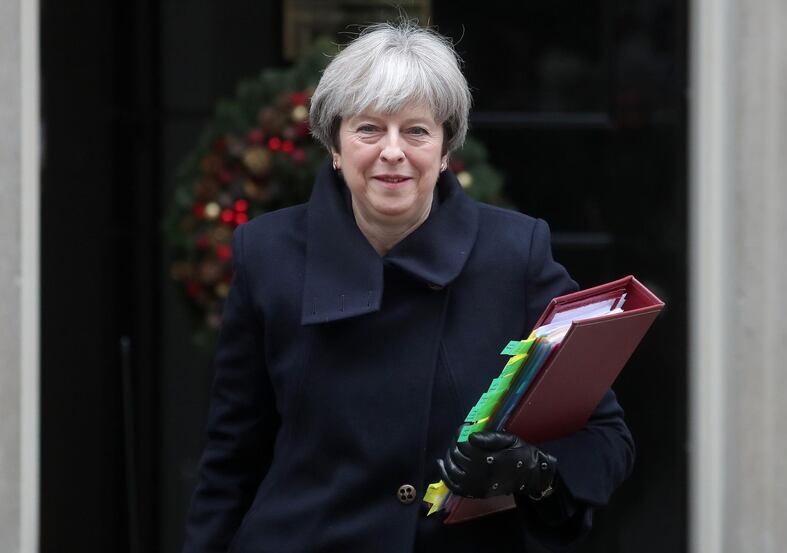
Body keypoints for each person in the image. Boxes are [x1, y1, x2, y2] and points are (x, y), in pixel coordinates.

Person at [182, 20, 634, 553]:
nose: (392, 151)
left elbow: (607, 439)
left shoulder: (514, 254)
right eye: (369, 128)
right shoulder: (268, 254)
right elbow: (232, 460)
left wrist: (530, 470)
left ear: (445, 150)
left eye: (416, 131)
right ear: (334, 144)